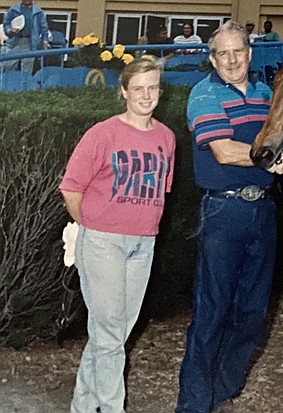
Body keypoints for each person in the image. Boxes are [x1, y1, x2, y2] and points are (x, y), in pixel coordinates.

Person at [174, 21, 283, 413]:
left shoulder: (267, 94)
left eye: (239, 51)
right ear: (212, 58)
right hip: (223, 211)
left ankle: (222, 391)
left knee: (253, 313)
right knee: (212, 311)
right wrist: (272, 159)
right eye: (224, 53)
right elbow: (224, 151)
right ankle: (193, 404)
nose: (232, 60)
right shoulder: (204, 94)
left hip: (263, 210)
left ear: (250, 54)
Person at [60, 58, 175, 413]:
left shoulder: (167, 138)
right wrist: (93, 228)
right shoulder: (102, 134)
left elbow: (160, 191)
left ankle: (82, 406)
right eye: (138, 88)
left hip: (143, 243)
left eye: (153, 87)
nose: (146, 95)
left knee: (113, 334)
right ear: (124, 91)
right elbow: (71, 189)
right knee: (110, 334)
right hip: (103, 242)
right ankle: (112, 408)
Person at [3, 0, 50, 72]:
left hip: (30, 42)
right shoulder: (13, 9)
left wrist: (45, 41)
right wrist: (10, 30)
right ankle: (8, 81)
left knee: (27, 68)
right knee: (9, 65)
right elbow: (6, 23)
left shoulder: (38, 11)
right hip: (15, 41)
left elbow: (44, 28)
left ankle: (25, 81)